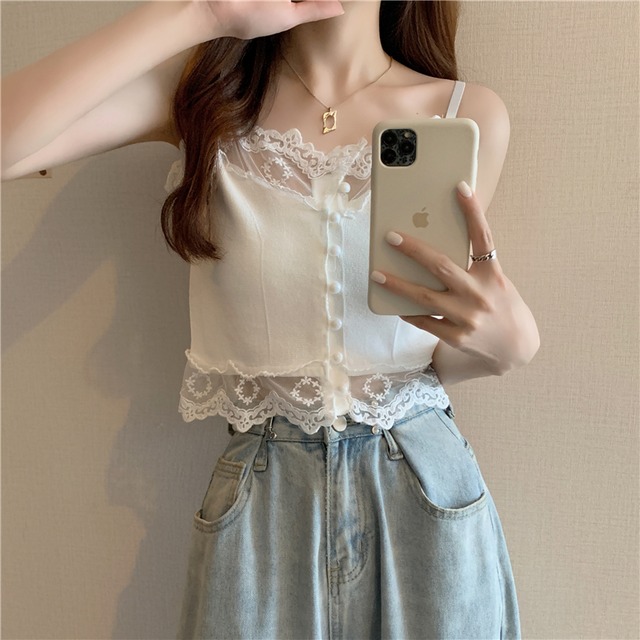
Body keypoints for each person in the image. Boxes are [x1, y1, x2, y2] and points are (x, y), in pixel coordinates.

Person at [2, 1, 540, 638]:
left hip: (424, 487)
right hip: (263, 502)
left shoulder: (465, 115)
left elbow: (417, 346)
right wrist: (203, 13)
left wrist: (506, 346)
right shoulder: (205, 101)